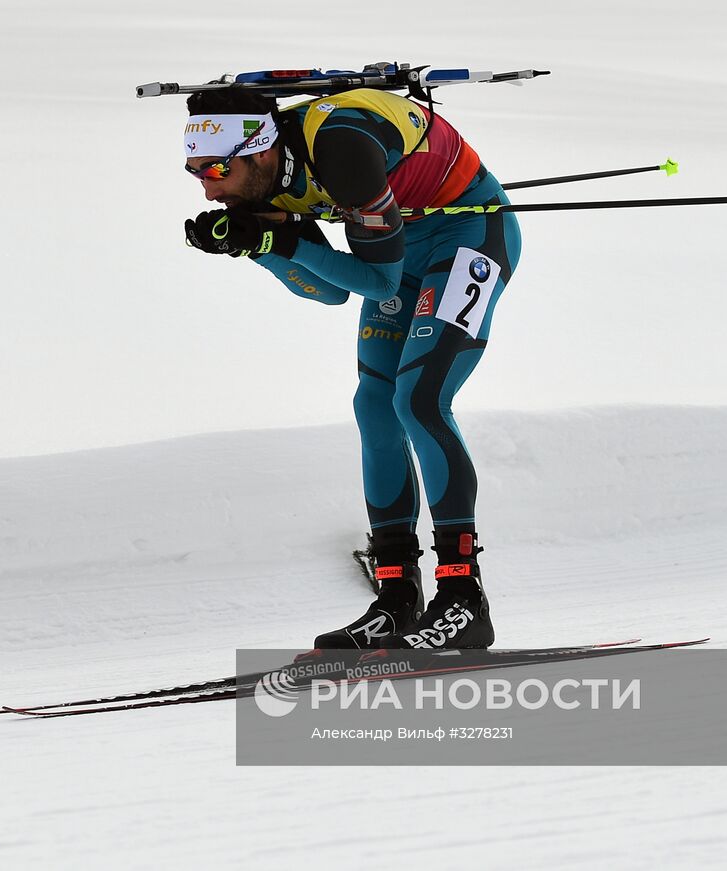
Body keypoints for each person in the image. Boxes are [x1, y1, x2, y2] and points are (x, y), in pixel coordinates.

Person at [181, 84, 522, 650]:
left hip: (467, 235)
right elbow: (326, 291)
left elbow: (375, 281)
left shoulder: (340, 148)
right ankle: (396, 598)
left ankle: (464, 598)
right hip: (400, 250)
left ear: (262, 152)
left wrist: (278, 242)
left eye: (217, 169)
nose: (208, 186)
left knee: (419, 399)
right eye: (195, 173)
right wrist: (260, 246)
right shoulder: (257, 181)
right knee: (375, 409)